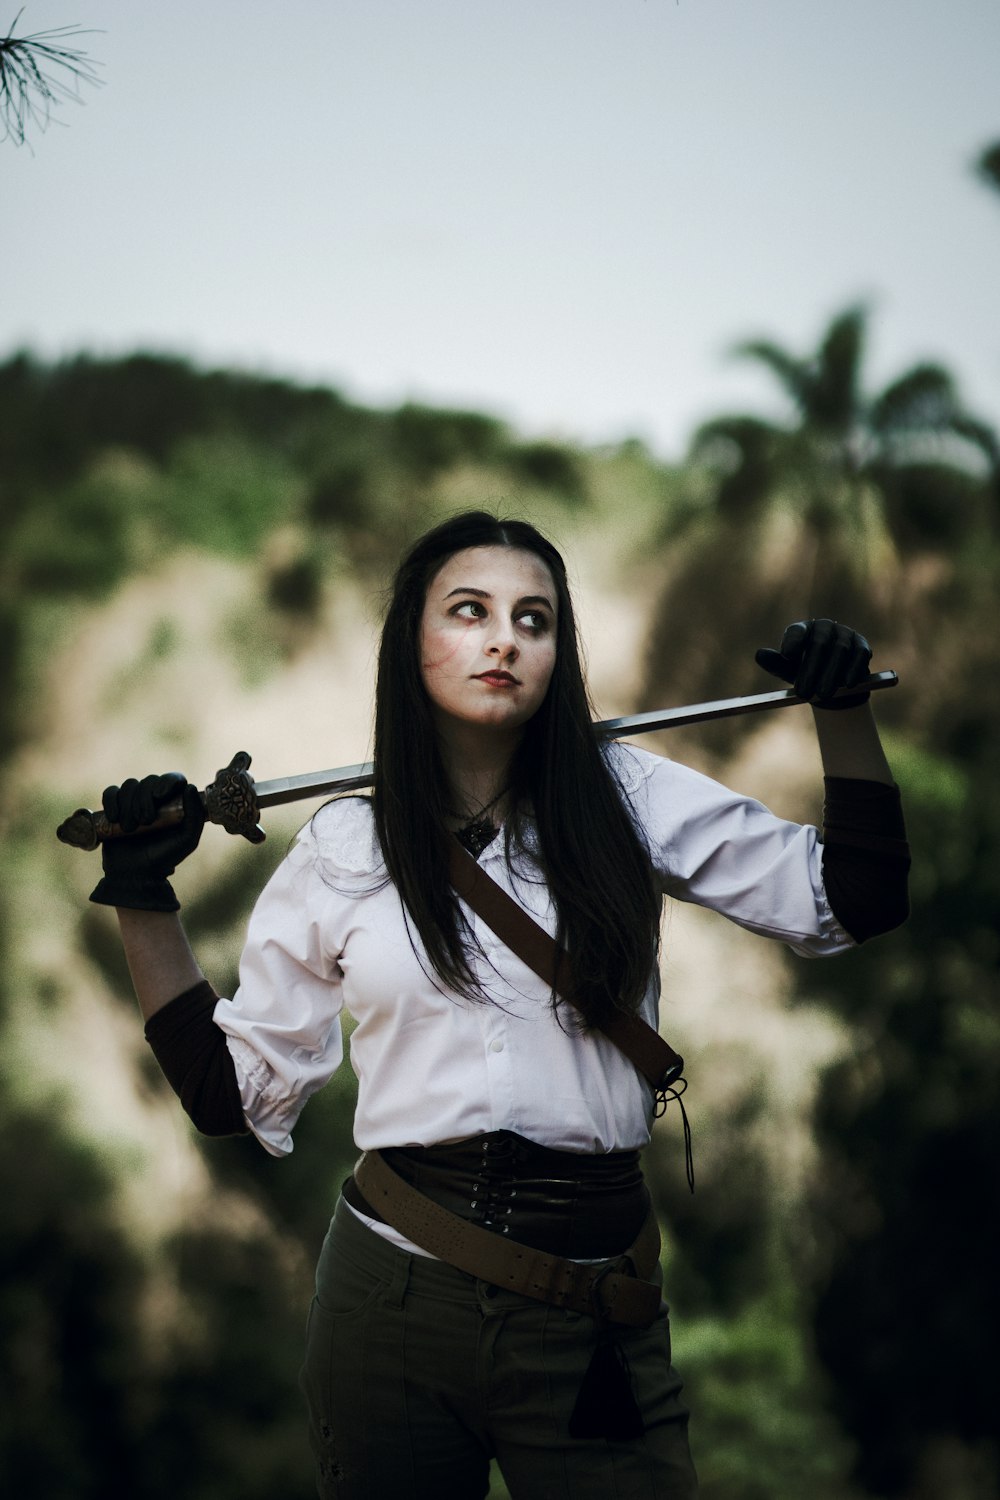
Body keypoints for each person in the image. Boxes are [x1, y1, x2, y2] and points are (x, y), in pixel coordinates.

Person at [90, 510, 910, 1499]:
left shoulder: (627, 795)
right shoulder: (344, 847)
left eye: (534, 619)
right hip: (388, 1297)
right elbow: (231, 1096)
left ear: (557, 655)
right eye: (468, 611)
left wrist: (842, 711)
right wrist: (141, 894)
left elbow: (855, 898)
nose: (503, 639)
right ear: (413, 643)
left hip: (590, 1307)